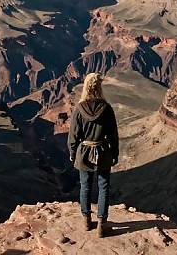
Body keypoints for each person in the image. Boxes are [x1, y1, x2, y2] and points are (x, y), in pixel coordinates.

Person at [67, 72, 119, 238]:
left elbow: (73, 135)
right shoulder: (107, 109)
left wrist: (72, 153)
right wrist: (114, 153)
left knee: (85, 186)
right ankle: (102, 225)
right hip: (103, 151)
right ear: (99, 87)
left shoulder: (79, 109)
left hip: (84, 152)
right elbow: (113, 135)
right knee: (103, 187)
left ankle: (86, 221)